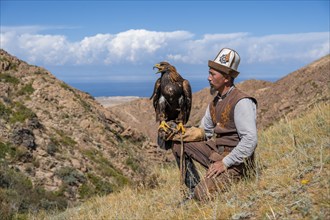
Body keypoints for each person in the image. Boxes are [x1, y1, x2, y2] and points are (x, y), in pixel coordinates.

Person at [171, 48, 258, 202]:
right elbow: (206, 131)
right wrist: (183, 133)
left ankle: (203, 190)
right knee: (179, 144)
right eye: (209, 73)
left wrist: (225, 163)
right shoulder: (215, 102)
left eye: (212, 74)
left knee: (202, 195)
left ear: (226, 78)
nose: (208, 78)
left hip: (236, 163)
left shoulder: (242, 101)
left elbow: (250, 140)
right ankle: (193, 187)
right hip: (216, 153)